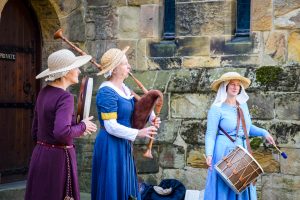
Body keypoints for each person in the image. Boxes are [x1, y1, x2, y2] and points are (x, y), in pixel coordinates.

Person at [25, 49, 97, 200]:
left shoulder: (43, 93)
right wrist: (83, 126)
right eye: (75, 67)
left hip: (40, 156)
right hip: (57, 161)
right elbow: (61, 133)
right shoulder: (65, 97)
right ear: (65, 73)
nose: (78, 71)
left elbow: (35, 131)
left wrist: (76, 129)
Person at [91, 46, 161, 200]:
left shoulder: (124, 88)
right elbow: (111, 126)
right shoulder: (106, 91)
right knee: (112, 185)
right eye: (124, 63)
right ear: (115, 69)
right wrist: (139, 133)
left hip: (123, 142)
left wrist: (152, 118)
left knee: (124, 185)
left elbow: (140, 107)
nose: (129, 66)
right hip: (110, 144)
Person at [203, 72, 275, 200]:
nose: (235, 87)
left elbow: (247, 128)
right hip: (223, 152)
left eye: (238, 85)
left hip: (241, 151)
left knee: (242, 184)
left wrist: (264, 132)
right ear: (225, 87)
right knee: (225, 186)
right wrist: (209, 154)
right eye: (232, 84)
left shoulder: (243, 106)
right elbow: (210, 134)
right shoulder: (217, 108)